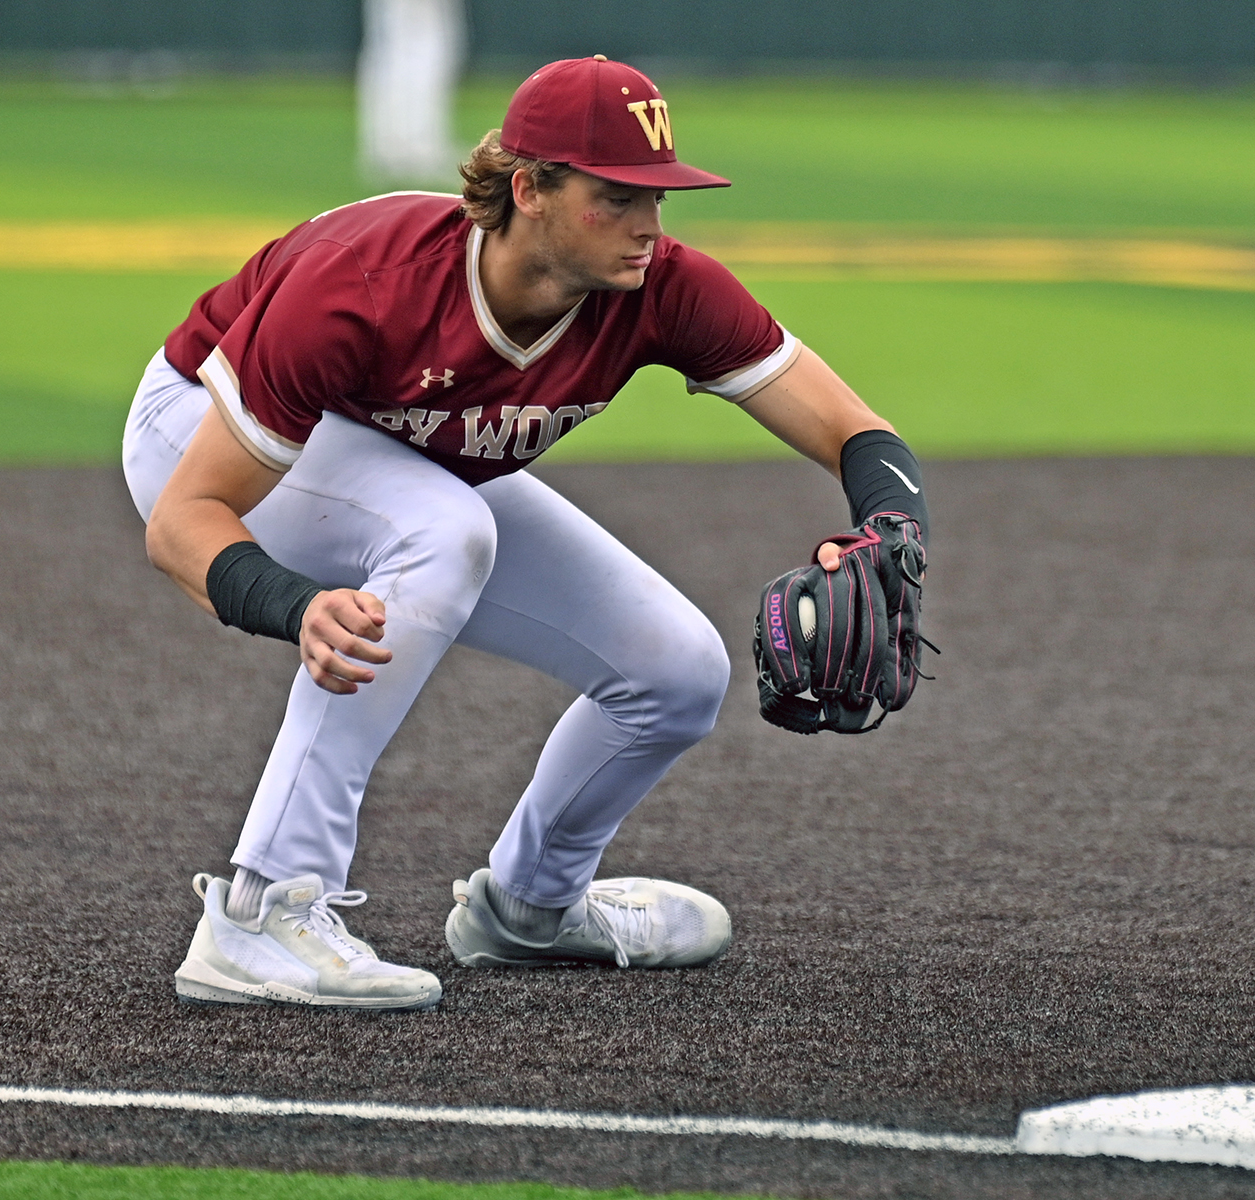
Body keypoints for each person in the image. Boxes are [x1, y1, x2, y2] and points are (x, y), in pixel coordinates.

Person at [121, 56, 930, 1011]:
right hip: (200, 431)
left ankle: (530, 909)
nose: (648, 226)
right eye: (616, 196)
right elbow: (183, 523)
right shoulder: (368, 285)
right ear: (528, 189)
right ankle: (259, 911)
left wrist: (891, 529)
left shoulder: (662, 288)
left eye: (660, 196)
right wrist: (295, 604)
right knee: (446, 528)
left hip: (407, 470)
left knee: (675, 671)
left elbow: (854, 430)